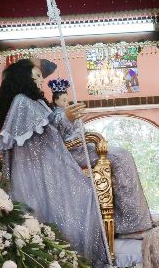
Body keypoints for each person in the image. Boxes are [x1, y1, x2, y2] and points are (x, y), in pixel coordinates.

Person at [0, 58, 109, 268]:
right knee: (75, 197)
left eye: (40, 77)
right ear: (22, 79)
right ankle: (68, 261)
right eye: (35, 76)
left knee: (83, 193)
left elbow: (53, 127)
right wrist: (64, 117)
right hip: (32, 171)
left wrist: (67, 118)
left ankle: (75, 262)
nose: (40, 81)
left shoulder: (36, 102)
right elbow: (45, 129)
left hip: (46, 165)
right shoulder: (21, 101)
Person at [50, 78, 153, 236]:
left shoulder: (67, 114)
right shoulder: (57, 116)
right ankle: (130, 225)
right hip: (74, 153)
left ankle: (131, 219)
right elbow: (63, 140)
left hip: (84, 147)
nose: (66, 102)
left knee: (123, 155)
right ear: (55, 101)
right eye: (62, 100)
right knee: (120, 157)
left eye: (66, 99)